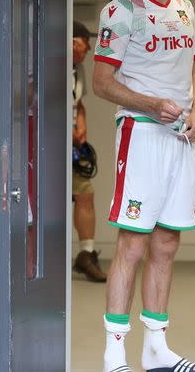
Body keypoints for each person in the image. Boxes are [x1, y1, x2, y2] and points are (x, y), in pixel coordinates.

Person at [93, 0, 195, 372]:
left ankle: (157, 348)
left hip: (182, 137)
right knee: (133, 245)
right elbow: (102, 84)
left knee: (167, 242)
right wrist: (150, 103)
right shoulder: (119, 12)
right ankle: (114, 356)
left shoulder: (185, 8)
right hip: (141, 134)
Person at [72, 20, 108, 282]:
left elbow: (78, 103)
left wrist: (81, 125)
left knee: (85, 193)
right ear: (73, 42)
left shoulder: (79, 70)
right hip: (50, 145)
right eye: (85, 44)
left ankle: (86, 254)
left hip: (74, 145)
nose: (88, 49)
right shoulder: (49, 67)